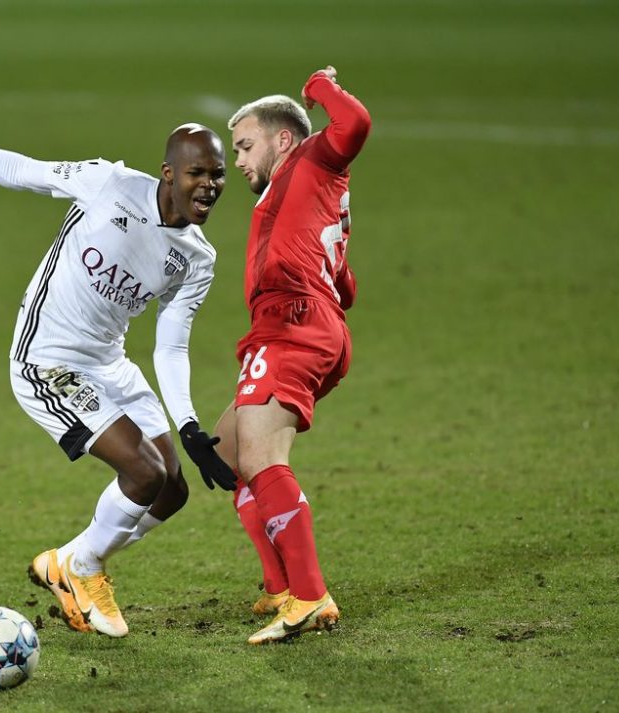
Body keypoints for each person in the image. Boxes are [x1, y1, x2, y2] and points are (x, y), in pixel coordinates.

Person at [0, 78, 236, 638]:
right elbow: (22, 170)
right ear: (169, 174)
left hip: (108, 362)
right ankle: (85, 567)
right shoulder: (109, 185)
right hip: (46, 360)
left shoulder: (196, 257)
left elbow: (171, 343)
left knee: (172, 488)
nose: (211, 185)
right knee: (140, 472)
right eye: (198, 173)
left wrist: (188, 425)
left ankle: (64, 562)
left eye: (218, 175)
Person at [210, 66, 371, 644]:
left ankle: (309, 596)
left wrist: (319, 86)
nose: (239, 160)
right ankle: (280, 587)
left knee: (261, 456)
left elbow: (355, 122)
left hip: (294, 326)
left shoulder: (310, 161)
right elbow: (346, 286)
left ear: (284, 139)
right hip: (299, 325)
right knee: (227, 455)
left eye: (245, 145)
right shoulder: (305, 190)